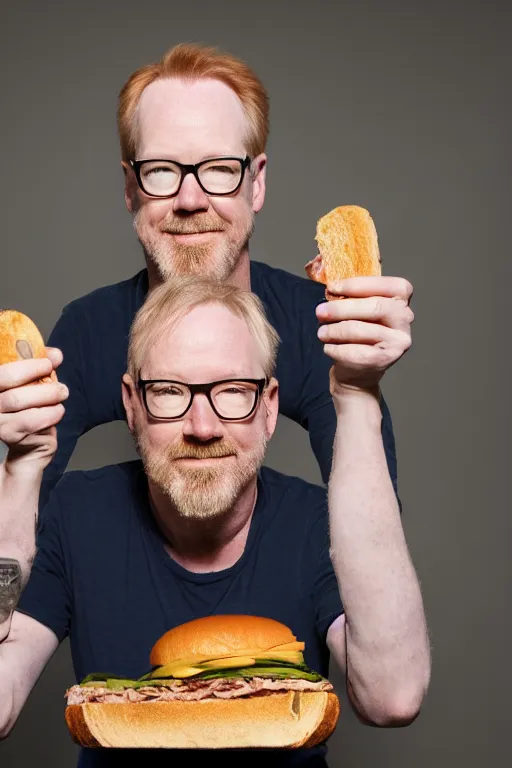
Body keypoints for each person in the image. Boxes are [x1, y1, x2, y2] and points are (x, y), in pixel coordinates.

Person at [0, 276, 430, 767]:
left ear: (268, 408)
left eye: (231, 391)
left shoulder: (316, 523)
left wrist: (355, 394)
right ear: (132, 405)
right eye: (167, 391)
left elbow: (393, 697)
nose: (202, 428)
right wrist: (20, 471)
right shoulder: (76, 515)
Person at [40, 41, 401, 510]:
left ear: (258, 183)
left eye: (219, 168)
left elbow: (372, 529)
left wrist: (360, 391)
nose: (191, 200)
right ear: (131, 188)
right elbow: (18, 531)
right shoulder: (87, 331)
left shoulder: (321, 325)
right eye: (162, 170)